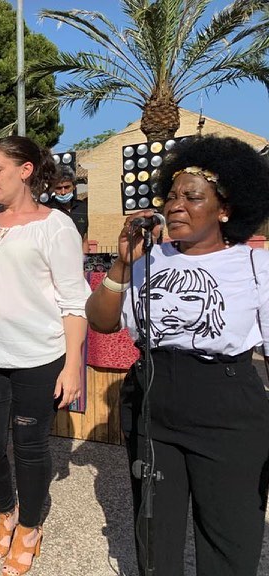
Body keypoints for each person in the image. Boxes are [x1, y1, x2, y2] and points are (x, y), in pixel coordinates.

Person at [85, 135, 269, 576]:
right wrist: (122, 264)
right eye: (171, 195)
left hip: (228, 408)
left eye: (192, 197)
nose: (176, 206)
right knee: (155, 533)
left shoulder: (254, 266)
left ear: (225, 209)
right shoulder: (146, 259)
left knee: (229, 535)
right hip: (152, 401)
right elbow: (101, 321)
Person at [0, 136, 90, 575]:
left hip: (39, 358)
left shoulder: (56, 226)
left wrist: (73, 365)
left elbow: (74, 302)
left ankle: (28, 527)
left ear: (26, 171)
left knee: (30, 447)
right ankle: (5, 511)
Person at [46, 165, 89, 252]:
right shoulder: (47, 209)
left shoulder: (82, 207)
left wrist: (84, 258)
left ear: (74, 186)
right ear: (53, 189)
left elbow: (84, 240)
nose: (63, 192)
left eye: (67, 187)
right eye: (58, 188)